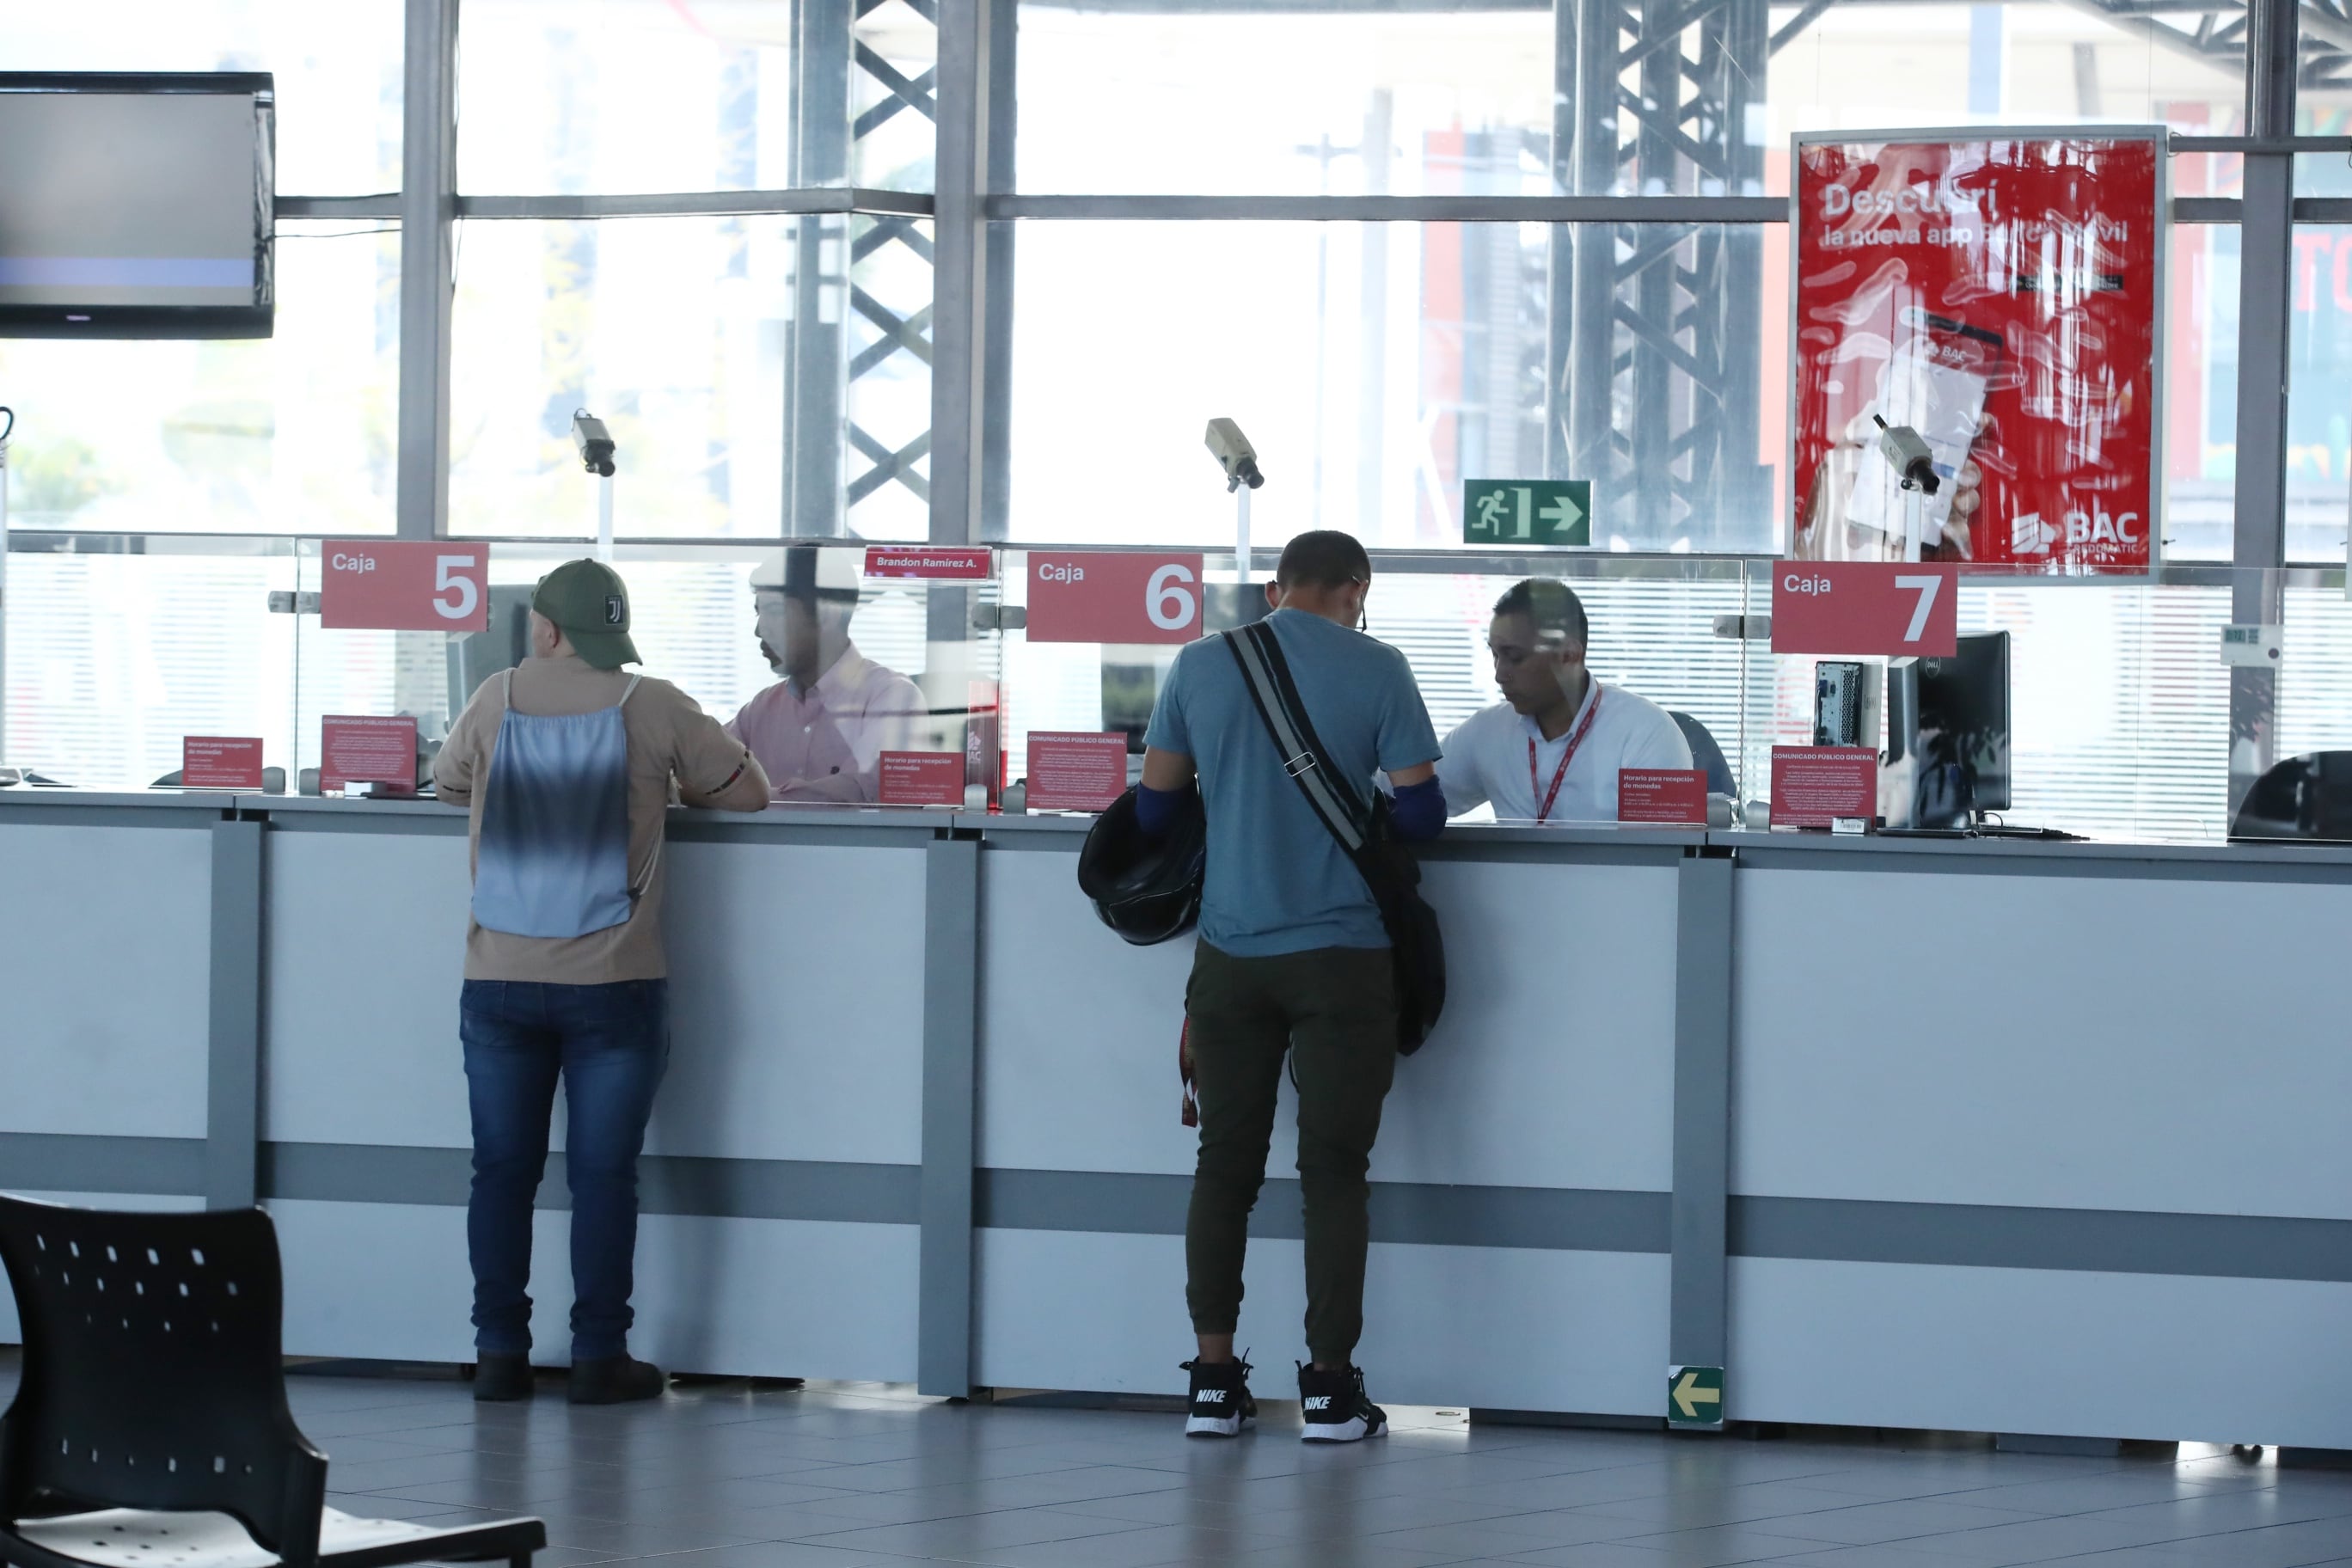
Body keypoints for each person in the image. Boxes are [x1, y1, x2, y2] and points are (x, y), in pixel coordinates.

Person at [433, 559, 770, 1405]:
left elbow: (446, 784)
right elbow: (750, 793)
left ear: (543, 629)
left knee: (501, 1172)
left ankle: (499, 1355)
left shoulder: (492, 698)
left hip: (500, 977)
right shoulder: (649, 703)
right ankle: (597, 1359)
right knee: (603, 1177)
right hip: (615, 982)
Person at [1136, 529, 1446, 1443]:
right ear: (1357, 589)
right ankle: (1327, 1391)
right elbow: (1423, 813)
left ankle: (1212, 1383)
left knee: (1224, 1167)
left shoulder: (1198, 666)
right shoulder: (1379, 667)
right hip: (1341, 957)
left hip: (1230, 959)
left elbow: (1155, 807)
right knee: (1333, 1174)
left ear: (1277, 587)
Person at [1438, 579, 1694, 824]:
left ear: (1569, 655)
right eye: (1494, 655)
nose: (1499, 674)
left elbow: (1661, 858)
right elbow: (1409, 796)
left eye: (1514, 657)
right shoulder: (1487, 731)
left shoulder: (1647, 733)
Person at [726, 546, 926, 803]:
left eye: (774, 611)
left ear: (827, 613)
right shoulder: (761, 709)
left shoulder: (892, 697)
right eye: (758, 612)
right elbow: (700, 771)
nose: (759, 630)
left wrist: (749, 799)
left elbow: (857, 796)